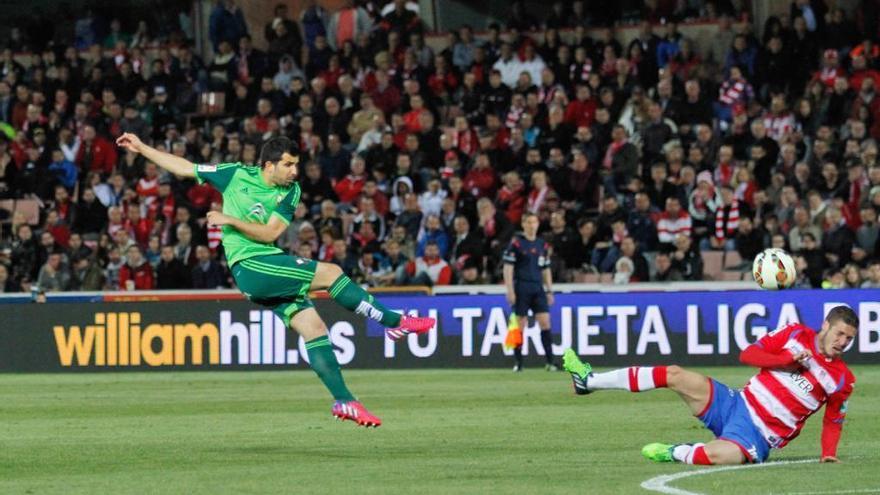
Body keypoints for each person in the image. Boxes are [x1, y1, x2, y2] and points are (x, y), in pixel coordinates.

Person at [115, 132, 434, 427]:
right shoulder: (235, 174)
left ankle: (344, 401)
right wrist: (142, 148)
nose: (295, 171)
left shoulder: (290, 191)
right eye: (288, 165)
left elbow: (271, 232)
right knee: (332, 273)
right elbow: (186, 167)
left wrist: (229, 219)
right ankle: (393, 322)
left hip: (265, 264)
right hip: (252, 265)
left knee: (314, 328)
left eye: (296, 164)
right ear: (269, 165)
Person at [562, 306, 859, 465]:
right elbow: (748, 355)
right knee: (675, 374)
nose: (843, 342)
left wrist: (828, 452)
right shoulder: (794, 334)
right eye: (840, 333)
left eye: (849, 338)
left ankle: (676, 452)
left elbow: (834, 419)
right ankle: (588, 380)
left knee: (721, 456)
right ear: (825, 325)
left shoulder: (843, 378)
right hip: (735, 402)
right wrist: (786, 359)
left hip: (758, 433)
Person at [503, 212, 556, 372]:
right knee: (520, 325)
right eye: (529, 222)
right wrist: (510, 290)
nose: (532, 225)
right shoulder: (517, 244)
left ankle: (550, 362)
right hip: (521, 287)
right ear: (523, 224)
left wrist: (549, 290)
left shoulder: (542, 245)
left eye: (534, 222)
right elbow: (508, 269)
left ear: (538, 224)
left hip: (538, 288)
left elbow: (546, 269)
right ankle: (518, 363)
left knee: (545, 322)